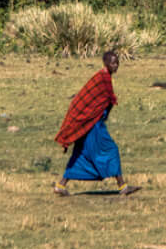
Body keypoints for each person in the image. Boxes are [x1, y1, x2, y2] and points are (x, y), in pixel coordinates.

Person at [53, 49, 137, 196]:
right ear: (106, 63)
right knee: (111, 150)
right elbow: (95, 100)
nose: (116, 65)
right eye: (113, 63)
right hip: (93, 125)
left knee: (80, 153)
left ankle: (60, 185)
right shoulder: (102, 78)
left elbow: (104, 101)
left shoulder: (104, 77)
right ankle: (122, 186)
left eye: (117, 63)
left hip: (92, 123)